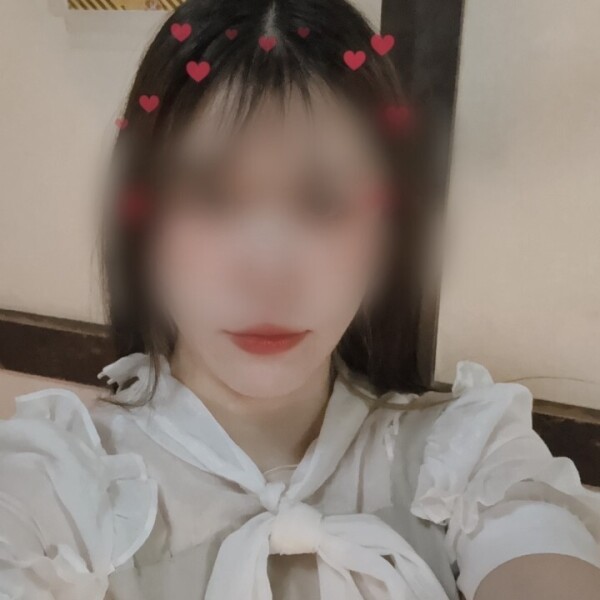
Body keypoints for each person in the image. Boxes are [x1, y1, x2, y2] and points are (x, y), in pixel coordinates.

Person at [1, 1, 599, 599]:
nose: (269, 271)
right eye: (212, 198)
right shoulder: (59, 486)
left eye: (323, 201)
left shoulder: (469, 459)